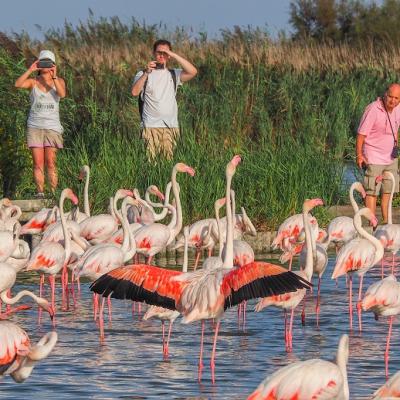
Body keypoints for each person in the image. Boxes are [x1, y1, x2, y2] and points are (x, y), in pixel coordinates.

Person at [131, 39, 197, 160]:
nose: (161, 55)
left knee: (168, 164)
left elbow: (193, 71)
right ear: (153, 54)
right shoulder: (142, 73)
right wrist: (146, 73)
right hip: (150, 127)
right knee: (150, 164)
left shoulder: (174, 74)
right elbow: (134, 92)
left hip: (170, 127)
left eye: (165, 52)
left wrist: (174, 55)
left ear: (169, 56)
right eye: (159, 52)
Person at [15, 50, 66, 198]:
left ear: (53, 64)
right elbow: (17, 84)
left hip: (52, 127)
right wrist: (30, 70)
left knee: (51, 162)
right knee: (38, 163)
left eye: (48, 61)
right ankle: (40, 193)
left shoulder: (59, 81)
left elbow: (62, 94)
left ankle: (53, 193)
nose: (45, 64)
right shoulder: (33, 82)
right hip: (35, 126)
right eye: (42, 61)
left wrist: (54, 75)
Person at [356, 83, 400, 223]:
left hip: (391, 158)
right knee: (372, 192)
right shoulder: (373, 109)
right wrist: (359, 155)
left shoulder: (398, 108)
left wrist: (395, 145)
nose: (393, 101)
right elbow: (361, 135)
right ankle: (372, 224)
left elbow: (396, 128)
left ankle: (387, 223)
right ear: (385, 94)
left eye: (397, 98)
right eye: (391, 97)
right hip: (374, 157)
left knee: (388, 190)